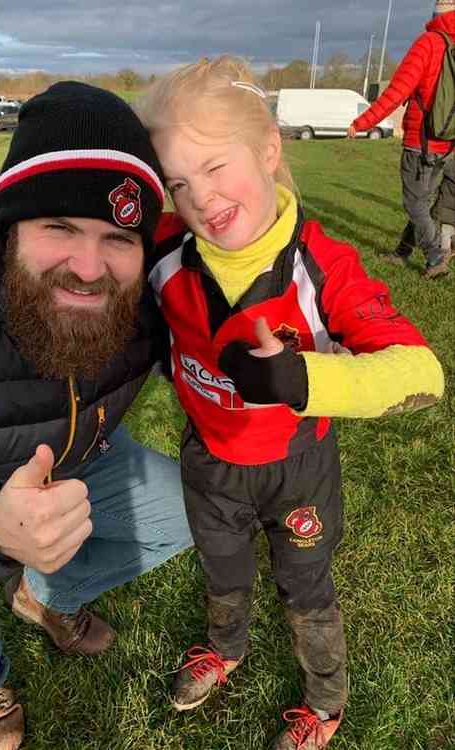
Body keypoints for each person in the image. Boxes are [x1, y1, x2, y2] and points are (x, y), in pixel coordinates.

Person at [135, 56, 445, 749]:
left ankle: (324, 704)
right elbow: (71, 212)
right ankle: (228, 647)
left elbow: (421, 372)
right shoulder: (162, 248)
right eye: (179, 183)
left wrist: (302, 380)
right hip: (209, 461)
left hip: (295, 466)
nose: (201, 199)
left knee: (304, 588)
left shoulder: (322, 265)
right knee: (223, 572)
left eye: (215, 167)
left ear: (269, 149)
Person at [0, 81, 193, 750]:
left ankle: (45, 595)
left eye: (116, 236)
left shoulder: (143, 298)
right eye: (58, 226)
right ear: (10, 226)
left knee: (197, 506)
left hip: (77, 466)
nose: (88, 267)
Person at [348, 0, 455, 279]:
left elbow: (396, 92)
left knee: (414, 203)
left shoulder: (428, 43)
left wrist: (362, 123)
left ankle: (435, 256)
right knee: (421, 200)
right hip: (448, 143)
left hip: (420, 142)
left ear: (437, 14)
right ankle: (402, 253)